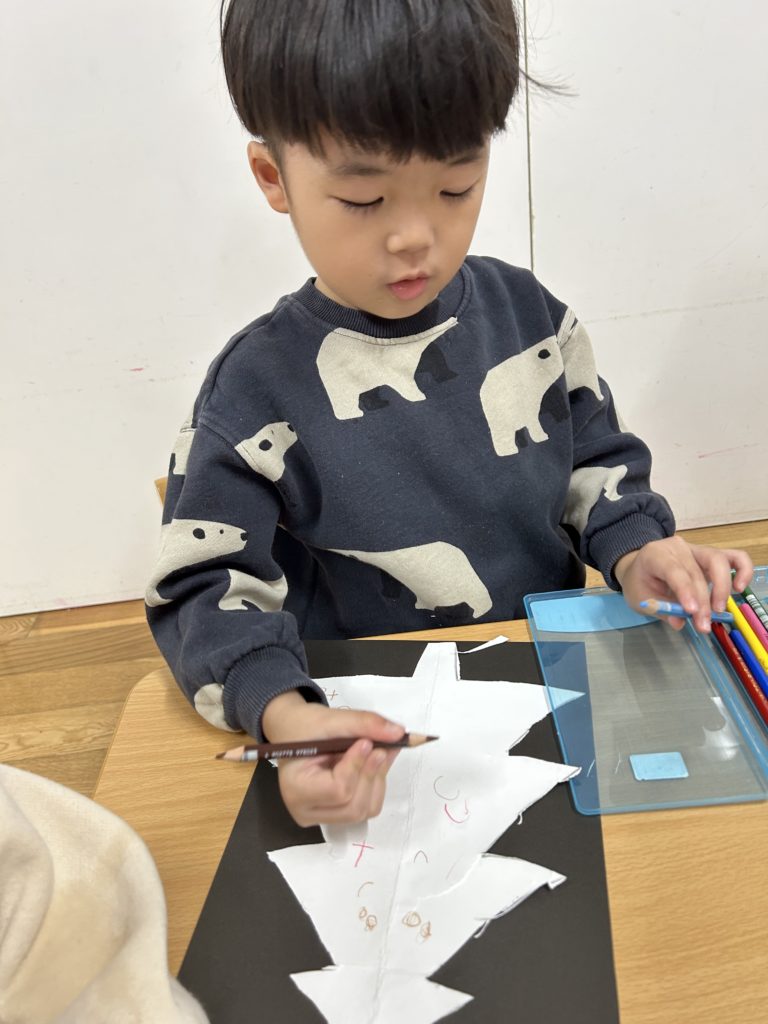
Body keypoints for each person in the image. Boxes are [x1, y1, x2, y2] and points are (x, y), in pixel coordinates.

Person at [146, 0, 752, 827]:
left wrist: (640, 550)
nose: (414, 237)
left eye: (456, 186)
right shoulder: (253, 390)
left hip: (550, 685)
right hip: (370, 716)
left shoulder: (531, 317)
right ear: (273, 178)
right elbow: (202, 591)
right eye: (363, 198)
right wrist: (287, 716)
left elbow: (595, 466)